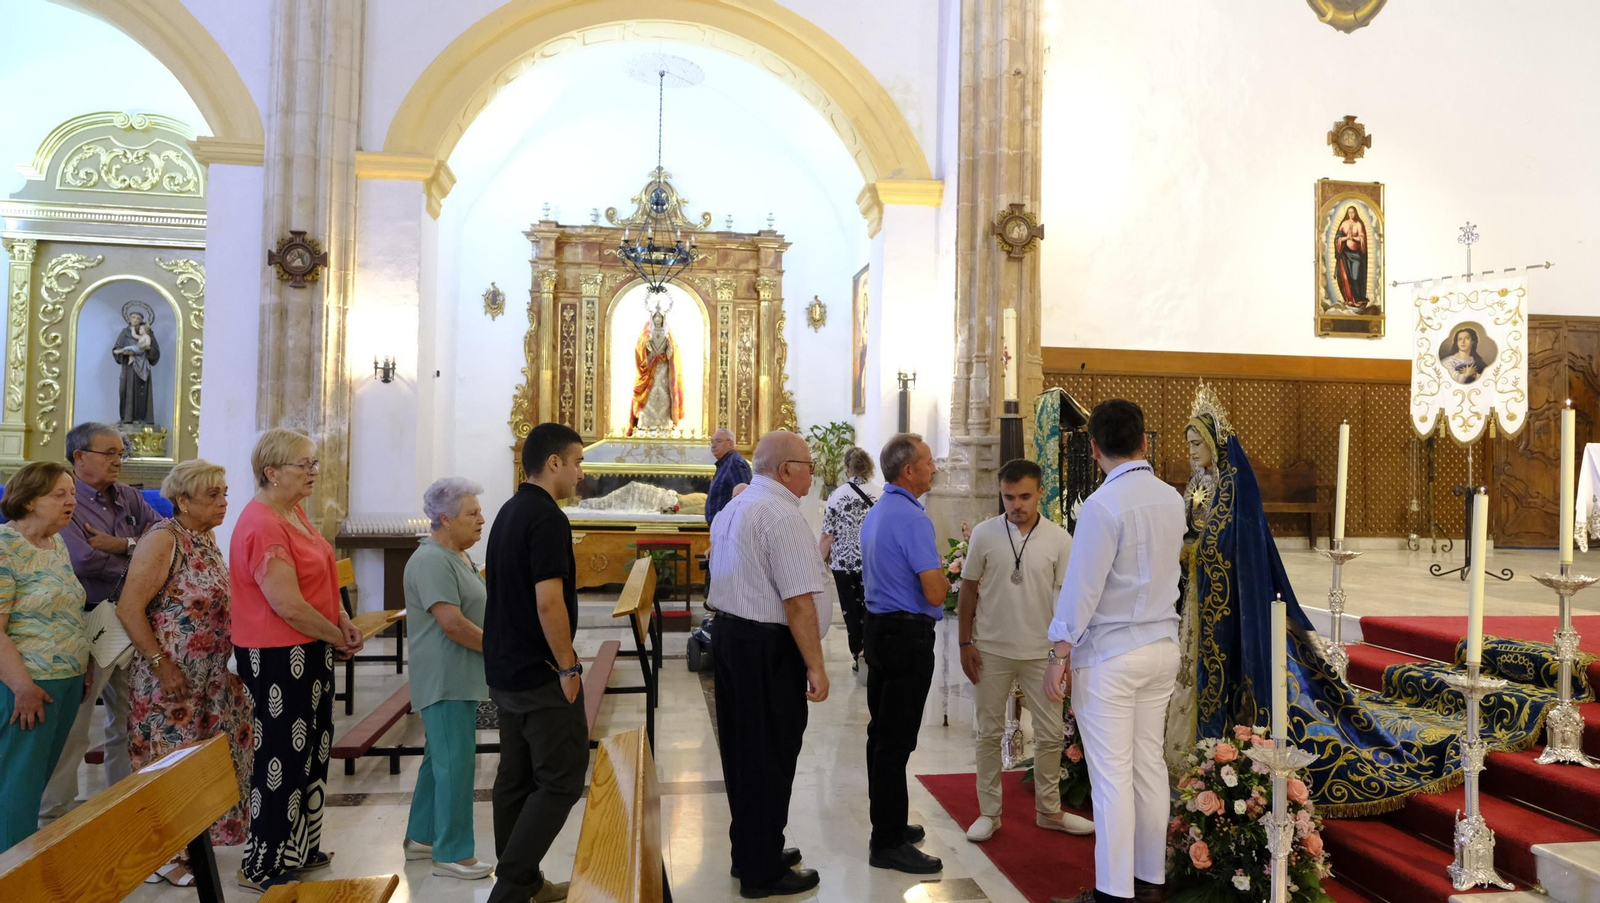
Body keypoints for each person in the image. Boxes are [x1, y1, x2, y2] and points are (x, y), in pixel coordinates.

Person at [1168, 384, 1494, 816]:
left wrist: (1195, 550)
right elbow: (1200, 532)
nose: (1192, 451)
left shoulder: (1236, 485)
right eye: (1188, 443)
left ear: (1214, 444)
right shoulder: (1202, 482)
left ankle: (1226, 744)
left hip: (1228, 602)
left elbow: (1234, 545)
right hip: (1202, 601)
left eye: (1197, 443)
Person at [1044, 400, 1182, 903]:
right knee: (1149, 765)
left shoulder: (1102, 505)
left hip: (1112, 655)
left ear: (1094, 447)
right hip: (1161, 647)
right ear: (1145, 442)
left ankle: (1112, 893)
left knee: (1111, 777)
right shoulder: (1172, 498)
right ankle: (1149, 884)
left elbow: (1082, 589)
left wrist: (1059, 654)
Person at [229, 428, 364, 892]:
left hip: (308, 647)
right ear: (271, 472)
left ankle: (299, 848)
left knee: (311, 749)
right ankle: (262, 861)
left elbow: (319, 579)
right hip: (276, 654)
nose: (313, 471)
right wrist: (336, 635)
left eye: (313, 463)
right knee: (280, 756)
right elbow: (286, 604)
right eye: (303, 464)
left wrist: (342, 620)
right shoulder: (263, 523)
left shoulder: (294, 513)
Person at [708, 431, 831, 899]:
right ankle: (762, 873)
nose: (812, 473)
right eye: (808, 464)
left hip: (732, 639)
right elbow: (798, 602)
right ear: (785, 470)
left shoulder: (736, 506)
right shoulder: (781, 514)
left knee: (745, 754)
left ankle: (753, 852)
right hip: (765, 648)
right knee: (770, 757)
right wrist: (815, 667)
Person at [117, 459, 252, 886]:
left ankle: (192, 847)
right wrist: (161, 663)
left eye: (225, 492)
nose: (223, 502)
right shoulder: (162, 539)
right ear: (182, 500)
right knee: (168, 762)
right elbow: (129, 607)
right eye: (212, 495)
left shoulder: (203, 536)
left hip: (208, 678)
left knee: (198, 765)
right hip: (170, 681)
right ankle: (161, 855)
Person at [957, 459, 1089, 843]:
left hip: (1041, 653)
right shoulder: (984, 533)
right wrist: (965, 642)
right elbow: (968, 588)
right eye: (1009, 497)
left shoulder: (1059, 539)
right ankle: (989, 813)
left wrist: (1063, 656)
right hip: (991, 648)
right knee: (988, 732)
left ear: (1040, 493)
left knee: (1049, 735)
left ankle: (1049, 811)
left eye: (1025, 496)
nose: (1016, 504)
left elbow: (1067, 599)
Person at [484, 422, 589, 903]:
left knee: (516, 778)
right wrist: (567, 667)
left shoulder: (509, 510)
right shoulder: (547, 518)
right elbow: (549, 601)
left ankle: (524, 886)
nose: (580, 473)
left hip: (506, 667)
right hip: (540, 674)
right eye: (577, 462)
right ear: (554, 463)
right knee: (562, 779)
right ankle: (510, 887)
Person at [42, 422, 163, 820]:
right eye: (109, 453)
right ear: (80, 457)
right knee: (75, 729)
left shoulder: (129, 496)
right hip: (87, 622)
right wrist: (138, 559)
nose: (118, 460)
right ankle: (54, 817)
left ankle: (124, 807)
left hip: (130, 621)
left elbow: (161, 538)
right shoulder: (66, 498)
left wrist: (122, 545)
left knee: (129, 720)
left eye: (120, 453)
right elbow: (82, 560)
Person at [859, 432, 948, 875]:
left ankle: (889, 824)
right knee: (894, 743)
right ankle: (888, 841)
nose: (934, 468)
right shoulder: (913, 519)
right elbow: (933, 590)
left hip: (879, 631)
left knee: (882, 736)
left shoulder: (879, 511)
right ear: (908, 470)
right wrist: (952, 579)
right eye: (929, 462)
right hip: (906, 636)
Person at [402, 477, 492, 881]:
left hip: (459, 673)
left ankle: (422, 836)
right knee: (456, 763)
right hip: (444, 676)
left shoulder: (457, 555)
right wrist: (500, 650)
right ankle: (452, 853)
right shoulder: (432, 560)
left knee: (439, 759)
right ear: (444, 518)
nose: (481, 520)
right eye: (471, 514)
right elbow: (453, 624)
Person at [0, 462, 88, 853]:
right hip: (28, 684)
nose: (71, 501)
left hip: (66, 679)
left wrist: (81, 667)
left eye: (72, 492)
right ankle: (11, 875)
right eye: (59, 494)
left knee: (36, 781)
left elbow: (66, 609)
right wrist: (23, 686)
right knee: (16, 785)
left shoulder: (56, 542)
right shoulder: (6, 547)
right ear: (30, 500)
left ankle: (24, 862)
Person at [819, 446, 879, 670]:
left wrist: (818, 562)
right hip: (871, 562)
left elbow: (827, 534)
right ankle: (871, 654)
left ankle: (857, 657)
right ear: (870, 467)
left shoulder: (836, 495)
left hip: (843, 564)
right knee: (871, 609)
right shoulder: (881, 493)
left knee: (851, 612)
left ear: (847, 468)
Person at [706, 428, 752, 526]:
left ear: (730, 444)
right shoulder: (725, 464)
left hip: (728, 527)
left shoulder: (735, 464)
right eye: (712, 442)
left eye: (718, 441)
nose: (713, 445)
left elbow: (742, 499)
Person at [1334, 205, 1368, 309]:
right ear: (1347, 213)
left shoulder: (1358, 224)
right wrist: (1346, 238)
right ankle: (1349, 300)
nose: (1351, 214)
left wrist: (1352, 237)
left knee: (1355, 276)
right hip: (1345, 254)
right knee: (1345, 277)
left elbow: (1362, 239)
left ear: (1356, 213)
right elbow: (1338, 239)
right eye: (1349, 212)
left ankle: (1357, 299)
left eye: (1352, 212)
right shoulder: (1344, 224)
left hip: (1356, 255)